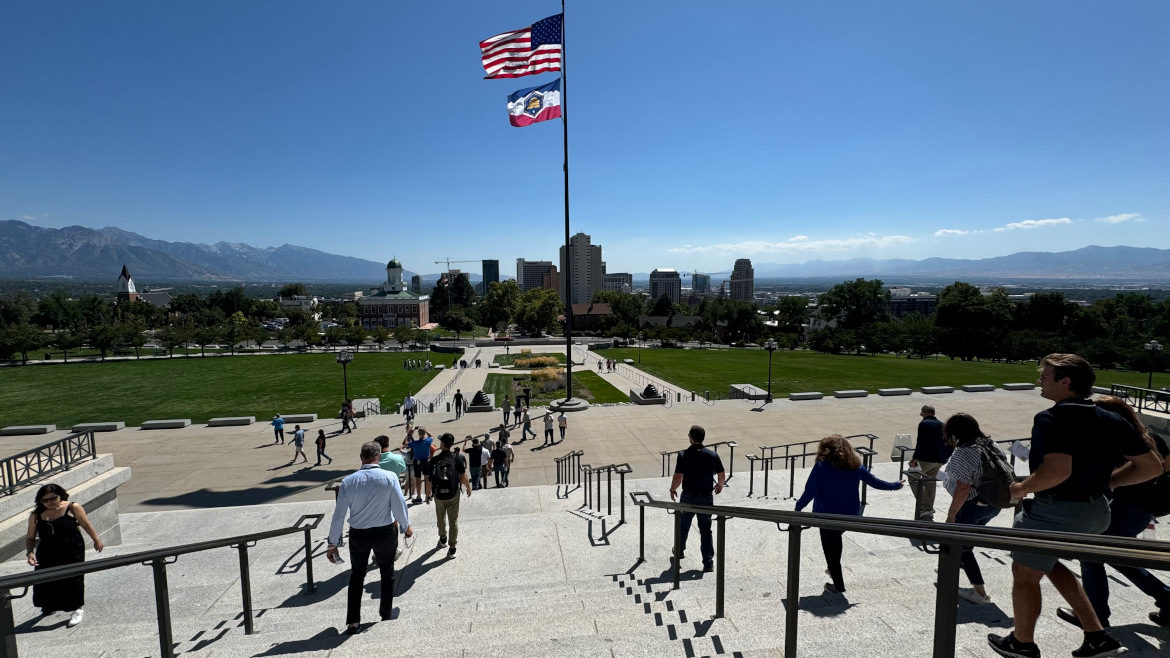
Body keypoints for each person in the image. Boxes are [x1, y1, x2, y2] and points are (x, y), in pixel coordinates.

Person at [989, 354, 1161, 658]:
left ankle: (1022, 643)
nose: (1040, 382)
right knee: (1046, 562)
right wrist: (1110, 482)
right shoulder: (1110, 418)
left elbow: (1057, 471)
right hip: (1097, 512)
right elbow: (1151, 467)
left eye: (1045, 377)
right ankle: (1096, 635)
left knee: (1025, 573)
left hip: (1057, 510)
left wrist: (1020, 488)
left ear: (1065, 382)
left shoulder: (1051, 418)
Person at [1059, 396, 1170, 630]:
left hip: (1120, 510)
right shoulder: (1151, 437)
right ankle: (1167, 597)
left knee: (1091, 556)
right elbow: (1165, 467)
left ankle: (1095, 615)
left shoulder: (1114, 442)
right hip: (1142, 512)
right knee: (1118, 558)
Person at [795, 434, 903, 594]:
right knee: (835, 541)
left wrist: (798, 508)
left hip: (826, 515)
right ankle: (833, 571)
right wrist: (895, 485)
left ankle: (838, 584)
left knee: (830, 549)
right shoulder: (855, 466)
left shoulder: (821, 466)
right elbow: (875, 482)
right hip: (850, 514)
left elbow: (810, 490)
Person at [327, 442, 413, 634]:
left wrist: (332, 543)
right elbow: (399, 505)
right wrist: (406, 526)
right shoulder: (389, 477)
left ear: (361, 457)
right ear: (378, 458)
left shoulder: (349, 481)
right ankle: (386, 611)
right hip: (384, 531)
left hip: (359, 534)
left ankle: (353, 621)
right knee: (387, 571)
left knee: (357, 576)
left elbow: (339, 515)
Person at [940, 413, 1003, 604]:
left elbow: (963, 486)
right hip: (992, 504)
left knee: (963, 547)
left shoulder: (966, 451)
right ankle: (955, 564)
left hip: (972, 505)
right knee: (967, 541)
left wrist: (951, 514)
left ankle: (980, 592)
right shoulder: (991, 444)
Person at [668, 425, 725, 573]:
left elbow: (678, 477)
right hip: (706, 497)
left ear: (691, 438)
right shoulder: (712, 455)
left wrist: (673, 489)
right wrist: (719, 485)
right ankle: (708, 562)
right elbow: (721, 474)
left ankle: (679, 551)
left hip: (688, 497)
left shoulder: (683, 455)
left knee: (683, 526)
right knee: (706, 530)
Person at [430, 433, 472, 559]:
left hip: (438, 495)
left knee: (440, 517)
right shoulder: (457, 458)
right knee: (453, 521)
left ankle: (443, 539)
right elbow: (462, 476)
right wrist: (468, 487)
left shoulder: (435, 460)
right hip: (453, 493)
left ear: (442, 444)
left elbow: (429, 479)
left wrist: (427, 494)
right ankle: (452, 548)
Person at [908, 404, 951, 521]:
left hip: (925, 459)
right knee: (930, 481)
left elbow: (920, 442)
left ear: (925, 412)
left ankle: (926, 507)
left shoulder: (924, 424)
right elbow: (952, 442)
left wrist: (914, 458)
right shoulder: (943, 425)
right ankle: (928, 509)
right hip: (939, 461)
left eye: (921, 413)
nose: (921, 415)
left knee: (912, 477)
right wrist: (946, 457)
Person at [408, 427, 436, 504]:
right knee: (427, 479)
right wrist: (426, 430)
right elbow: (432, 436)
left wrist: (410, 434)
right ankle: (428, 496)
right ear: (424, 433)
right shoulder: (428, 441)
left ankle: (419, 496)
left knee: (418, 479)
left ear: (418, 434)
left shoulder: (415, 443)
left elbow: (405, 443)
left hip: (417, 461)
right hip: (426, 461)